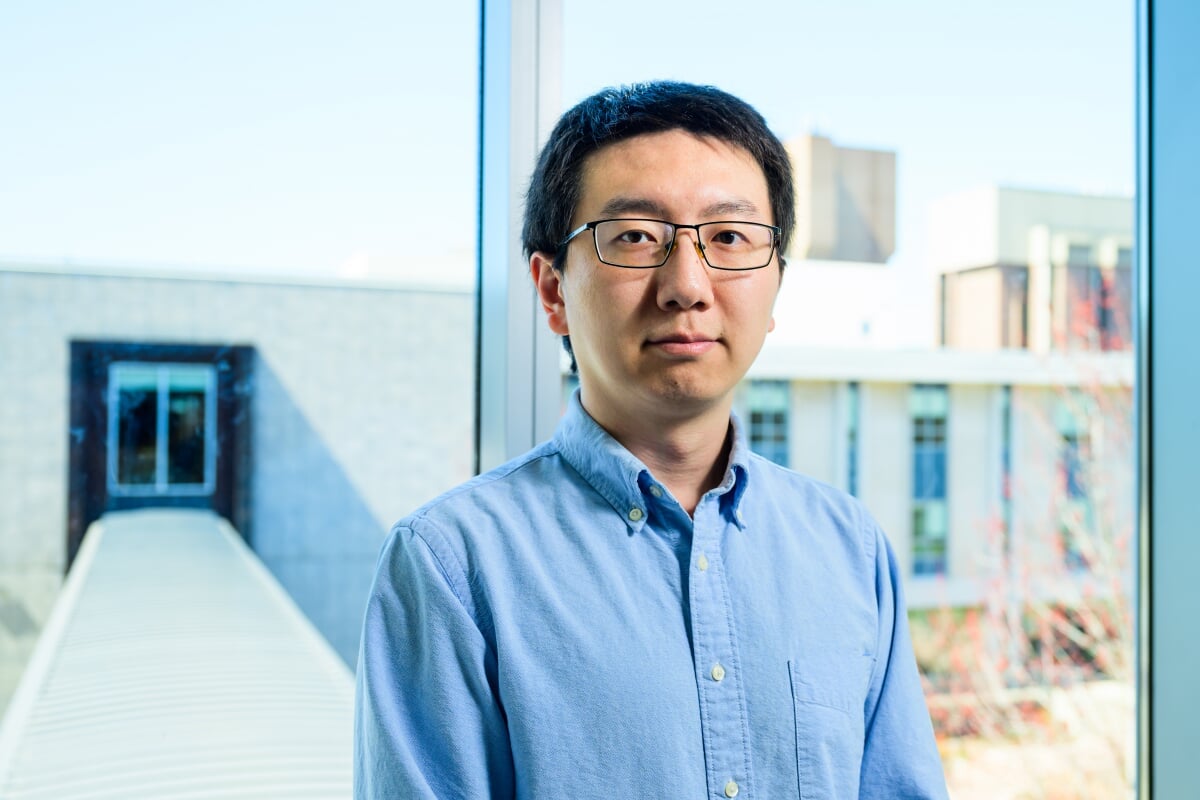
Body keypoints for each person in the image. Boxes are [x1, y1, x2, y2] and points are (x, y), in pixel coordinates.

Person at [355, 81, 948, 799]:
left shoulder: (849, 548)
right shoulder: (451, 566)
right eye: (636, 236)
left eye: (729, 237)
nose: (687, 285)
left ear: (776, 289)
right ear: (551, 291)